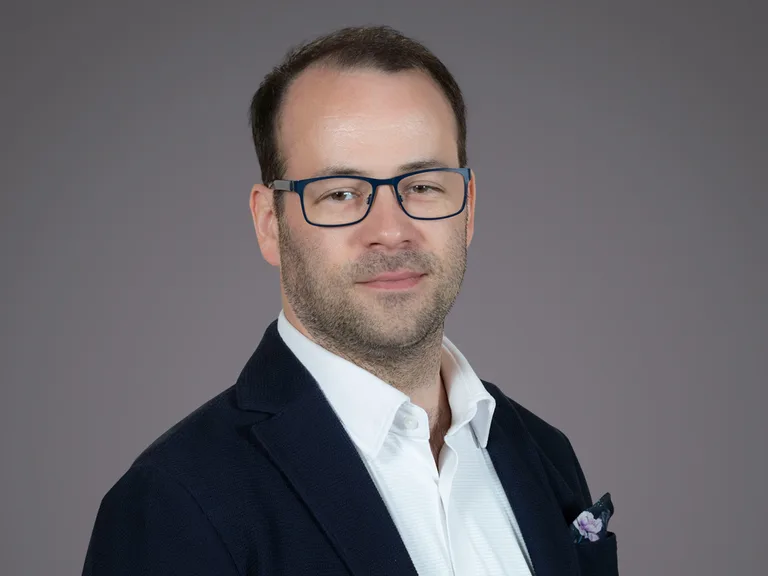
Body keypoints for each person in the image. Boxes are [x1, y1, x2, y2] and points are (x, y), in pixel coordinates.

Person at [82, 25, 618, 576]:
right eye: (340, 193)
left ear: (469, 206)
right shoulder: (174, 504)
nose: (391, 231)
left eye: (423, 186)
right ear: (269, 224)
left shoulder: (544, 453)